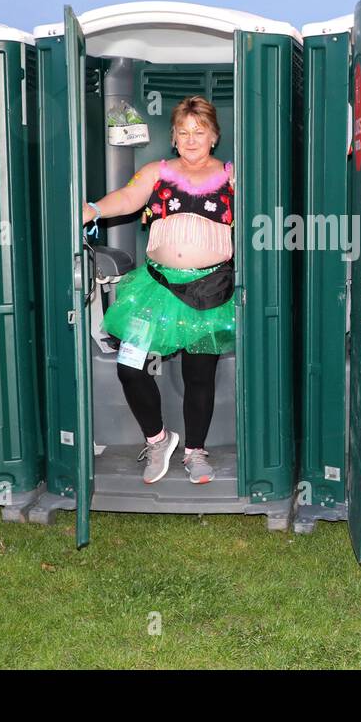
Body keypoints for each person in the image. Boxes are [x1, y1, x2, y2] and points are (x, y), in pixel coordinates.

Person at [83, 95, 235, 485]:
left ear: (214, 136)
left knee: (198, 376)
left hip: (210, 291)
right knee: (130, 366)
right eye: (183, 132)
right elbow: (129, 198)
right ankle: (158, 440)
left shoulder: (235, 176)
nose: (191, 139)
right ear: (173, 137)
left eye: (199, 132)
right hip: (156, 288)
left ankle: (195, 452)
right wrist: (94, 209)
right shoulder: (157, 171)